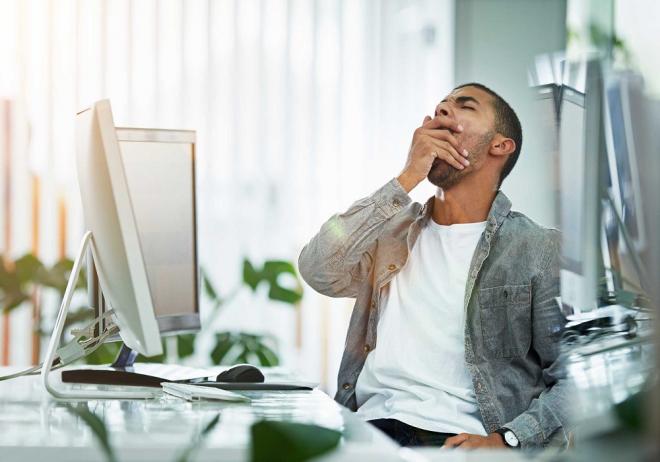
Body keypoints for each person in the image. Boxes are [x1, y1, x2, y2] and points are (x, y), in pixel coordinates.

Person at [298, 83, 569, 449]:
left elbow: (573, 379)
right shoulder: (390, 233)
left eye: (465, 106)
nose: (442, 111)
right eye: (441, 106)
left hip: (457, 442)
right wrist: (405, 179)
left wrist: (507, 440)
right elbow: (317, 269)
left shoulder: (537, 249)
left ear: (500, 145)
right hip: (367, 433)